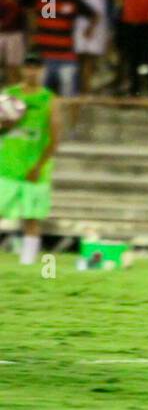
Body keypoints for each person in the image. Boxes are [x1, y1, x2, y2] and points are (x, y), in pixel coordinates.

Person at [0, 53, 59, 265]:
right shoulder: (9, 94)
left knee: (31, 218)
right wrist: (6, 124)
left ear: (42, 70)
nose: (32, 71)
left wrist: (39, 166)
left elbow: (54, 138)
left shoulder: (48, 99)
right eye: (28, 66)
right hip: (7, 165)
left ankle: (27, 262)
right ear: (23, 69)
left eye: (36, 67)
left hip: (35, 167)